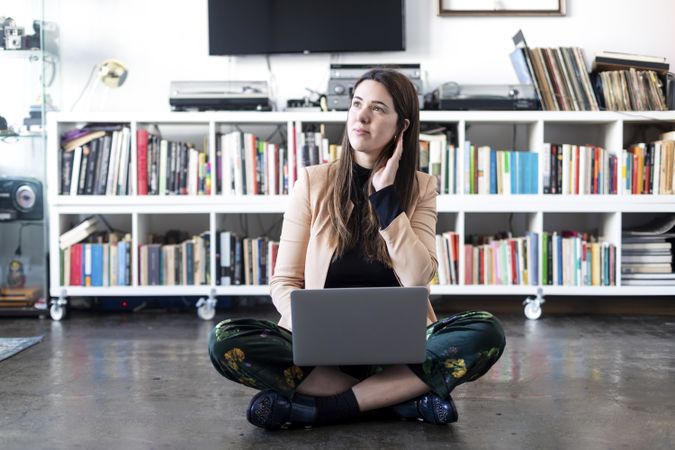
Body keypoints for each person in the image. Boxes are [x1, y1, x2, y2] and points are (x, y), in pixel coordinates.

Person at [208, 68, 506, 430]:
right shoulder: (313, 182)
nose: (361, 116)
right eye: (356, 104)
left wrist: (386, 202)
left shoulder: (422, 188)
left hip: (397, 351)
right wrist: (309, 326)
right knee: (226, 340)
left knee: (485, 331)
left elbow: (418, 277)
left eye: (378, 108)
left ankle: (323, 408)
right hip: (321, 352)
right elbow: (284, 281)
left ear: (401, 127)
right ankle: (400, 400)